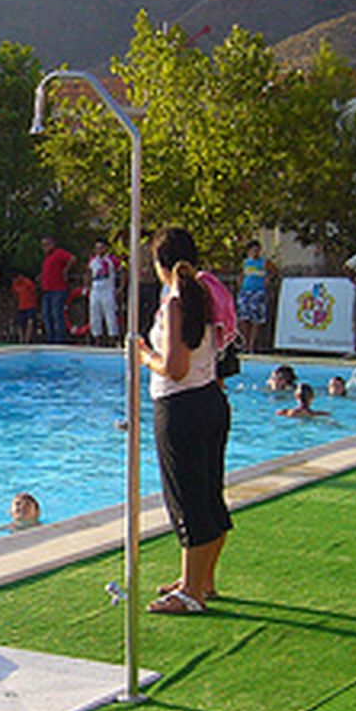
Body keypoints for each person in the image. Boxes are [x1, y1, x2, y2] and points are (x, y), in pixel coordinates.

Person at [137, 227, 231, 616]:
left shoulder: (176, 304)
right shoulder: (205, 296)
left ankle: (192, 592)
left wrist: (143, 355)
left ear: (161, 265)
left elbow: (174, 367)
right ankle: (201, 579)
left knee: (187, 498)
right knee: (208, 492)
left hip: (181, 407)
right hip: (210, 401)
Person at [236, 239, 271, 353]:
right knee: (243, 318)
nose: (255, 252)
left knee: (256, 320)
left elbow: (274, 271)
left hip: (258, 291)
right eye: (253, 250)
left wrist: (268, 278)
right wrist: (240, 283)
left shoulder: (264, 262)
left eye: (257, 250)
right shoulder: (246, 262)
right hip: (246, 292)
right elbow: (241, 274)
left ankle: (251, 345)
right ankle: (245, 343)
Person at [39, 237, 75, 343]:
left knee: (57, 313)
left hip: (58, 289)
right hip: (47, 289)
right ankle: (50, 337)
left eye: (47, 244)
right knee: (46, 315)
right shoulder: (47, 258)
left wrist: (66, 270)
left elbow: (72, 258)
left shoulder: (59, 253)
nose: (45, 247)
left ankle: (60, 338)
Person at [85, 239, 120, 345]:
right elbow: (88, 272)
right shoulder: (92, 260)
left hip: (108, 290)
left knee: (110, 314)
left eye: (101, 247)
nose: (99, 250)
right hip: (96, 290)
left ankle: (112, 338)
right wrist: (87, 286)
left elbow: (122, 271)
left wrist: (120, 287)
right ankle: (97, 338)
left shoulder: (112, 259)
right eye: (97, 248)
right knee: (95, 314)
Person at [10, 272, 39, 343]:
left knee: (30, 322)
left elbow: (34, 293)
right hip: (21, 306)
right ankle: (21, 339)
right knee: (20, 323)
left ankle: (27, 339)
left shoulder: (28, 283)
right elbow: (14, 294)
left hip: (30, 305)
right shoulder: (15, 284)